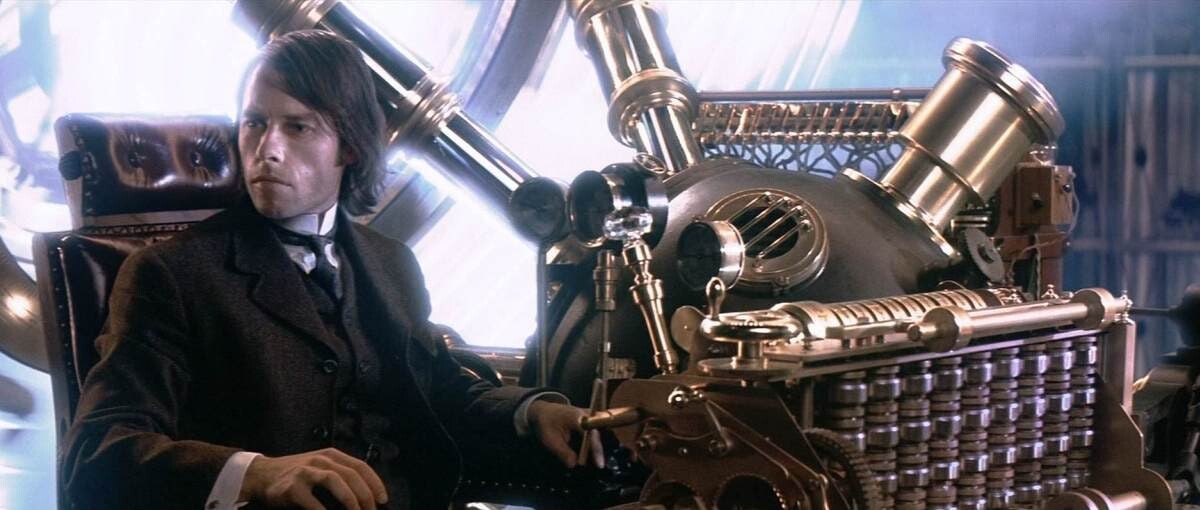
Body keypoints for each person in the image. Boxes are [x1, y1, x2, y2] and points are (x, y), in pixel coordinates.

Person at [61, 29, 595, 510]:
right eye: (254, 124)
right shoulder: (170, 274)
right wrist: (255, 474)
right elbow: (96, 455)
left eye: (298, 127)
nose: (267, 150)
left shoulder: (392, 261)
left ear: (351, 147)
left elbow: (436, 390)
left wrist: (531, 412)